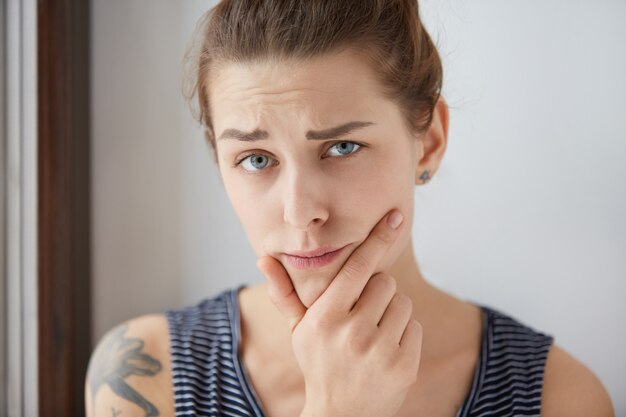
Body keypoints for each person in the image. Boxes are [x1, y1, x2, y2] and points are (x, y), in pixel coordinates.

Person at [85, 1, 615, 416]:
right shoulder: (144, 374)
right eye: (255, 158)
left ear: (427, 141)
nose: (300, 212)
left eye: (342, 148)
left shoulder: (557, 399)